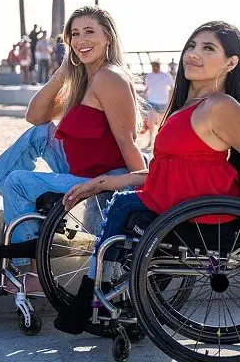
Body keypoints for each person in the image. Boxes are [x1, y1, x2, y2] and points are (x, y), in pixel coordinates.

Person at [0, 6, 146, 293]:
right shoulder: (84, 80)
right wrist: (62, 74)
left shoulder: (110, 78)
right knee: (41, 133)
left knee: (17, 182)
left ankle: (28, 270)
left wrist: (142, 185)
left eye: (89, 32)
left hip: (103, 181)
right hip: (81, 168)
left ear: (107, 37)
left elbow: (127, 141)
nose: (81, 40)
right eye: (74, 34)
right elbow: (34, 116)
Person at [54, 21, 240, 334]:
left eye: (208, 49)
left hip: (206, 221)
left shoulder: (220, 106)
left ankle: (92, 299)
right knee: (121, 201)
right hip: (180, 211)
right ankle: (117, 303)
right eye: (192, 46)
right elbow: (169, 172)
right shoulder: (185, 108)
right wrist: (105, 181)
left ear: (231, 62)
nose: (193, 55)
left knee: (124, 208)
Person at [143, 61, 175, 148]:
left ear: (159, 66)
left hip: (162, 102)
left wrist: (171, 101)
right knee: (150, 122)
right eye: (153, 66)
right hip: (151, 101)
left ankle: (160, 139)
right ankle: (150, 140)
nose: (154, 68)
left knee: (161, 123)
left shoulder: (166, 76)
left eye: (156, 66)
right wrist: (143, 96)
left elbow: (172, 88)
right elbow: (147, 88)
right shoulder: (149, 76)